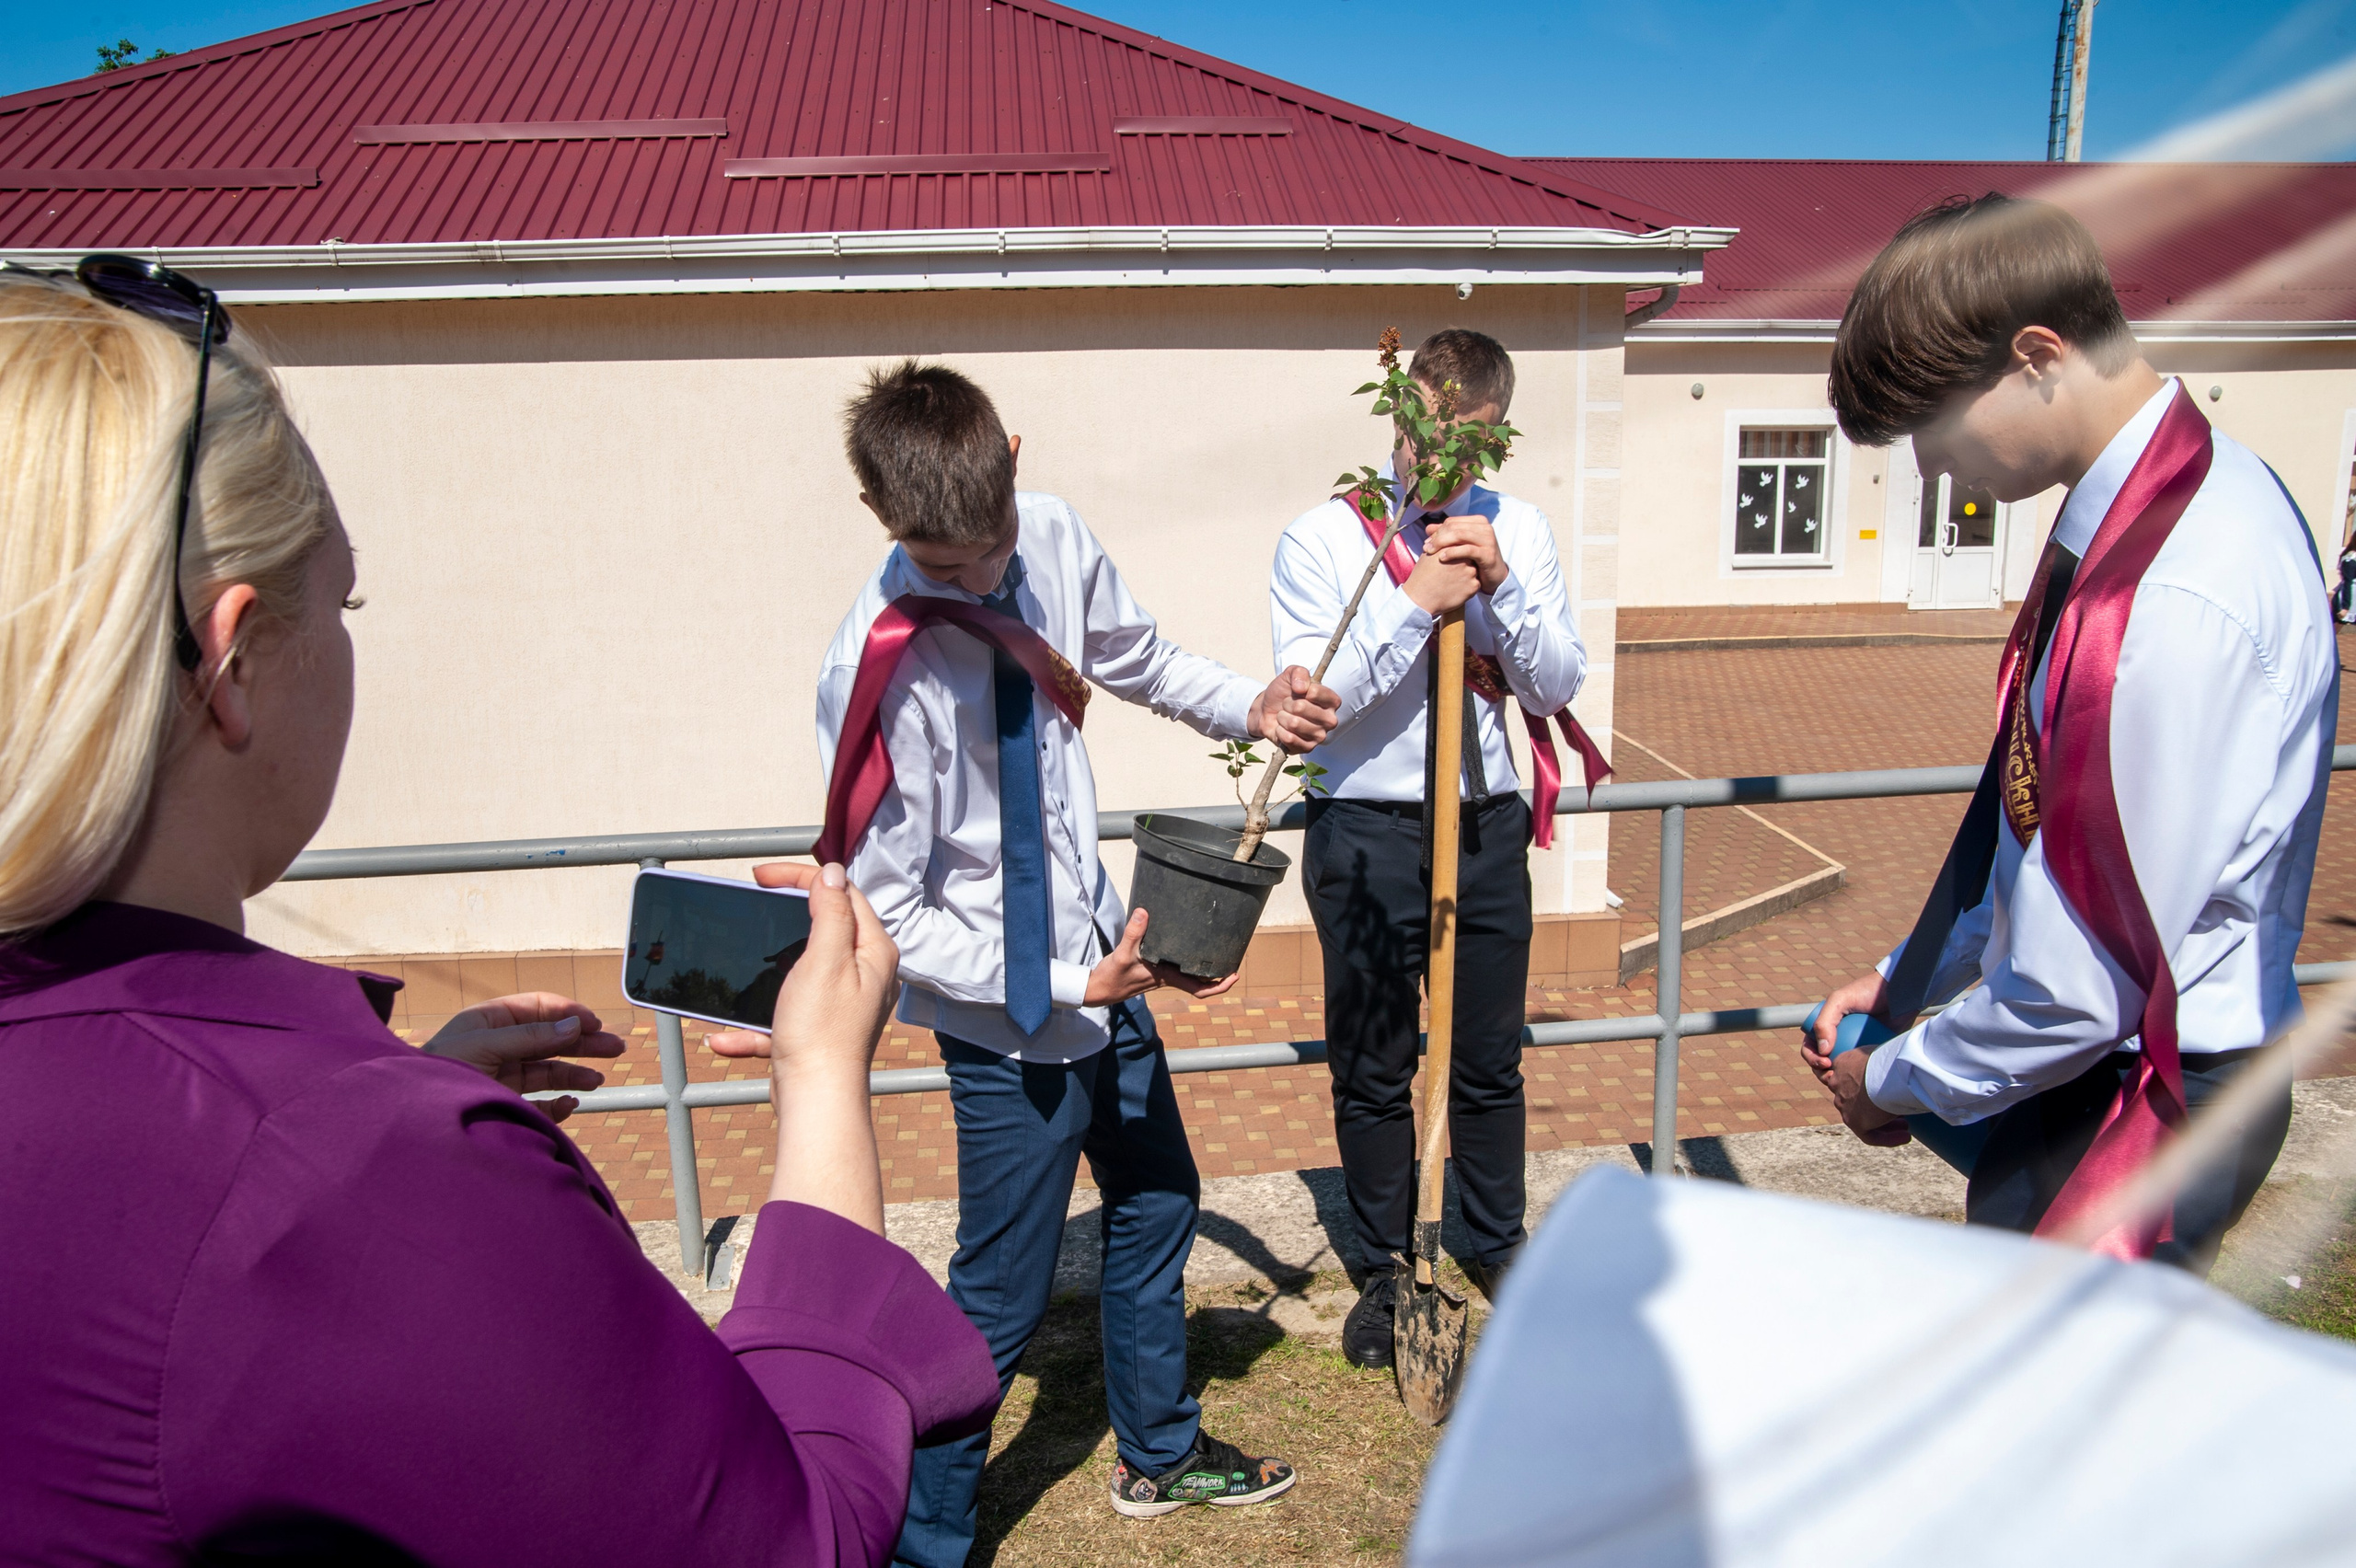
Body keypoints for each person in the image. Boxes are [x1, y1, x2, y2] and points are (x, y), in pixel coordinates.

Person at [0, 259, 999, 1564]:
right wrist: (822, 1080)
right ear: (232, 661)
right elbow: (781, 1537)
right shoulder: (357, 1180)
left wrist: (382, 1095)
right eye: (343, 599)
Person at [805, 362, 1334, 1561]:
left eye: (991, 547)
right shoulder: (876, 674)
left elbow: (1139, 657)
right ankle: (915, 1545)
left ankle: (1160, 1456)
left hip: (1111, 960)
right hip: (1010, 1025)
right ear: (886, 526)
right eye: (947, 567)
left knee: (1158, 1200)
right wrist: (1057, 987)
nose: (986, 579)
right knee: (997, 1298)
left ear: (1018, 458)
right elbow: (894, 912)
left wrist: (1252, 707)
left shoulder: (1047, 536)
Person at [1805, 195, 2339, 1270]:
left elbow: (2073, 987)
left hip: (2136, 1101)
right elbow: (2040, 816)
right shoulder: (2190, 498)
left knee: (2052, 1422)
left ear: (2037, 355)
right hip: (2128, 1070)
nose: (1929, 472)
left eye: (1931, 425)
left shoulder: (2168, 597)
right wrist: (1911, 976)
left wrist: (1891, 1078)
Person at [1267, 329, 1589, 1366]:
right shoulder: (1323, 539)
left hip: (1482, 822)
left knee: (1489, 1058)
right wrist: (1414, 604)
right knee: (1372, 1063)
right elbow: (1325, 700)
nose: (1435, 459)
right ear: (1396, 417)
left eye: (1465, 442)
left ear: (1495, 436)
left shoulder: (1521, 532)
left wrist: (1501, 590)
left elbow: (1554, 687)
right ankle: (1384, 1267)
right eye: (1420, 433)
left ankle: (1495, 1243)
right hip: (1364, 825)